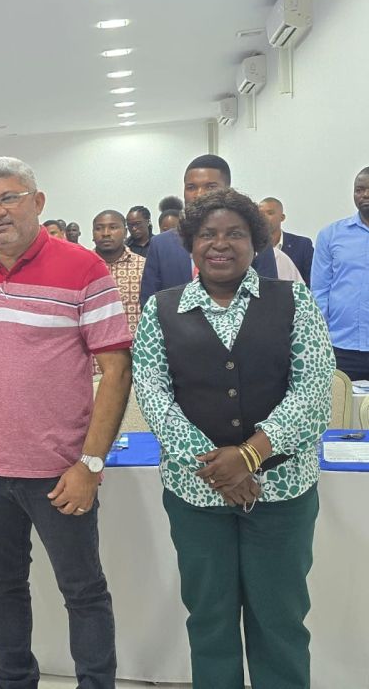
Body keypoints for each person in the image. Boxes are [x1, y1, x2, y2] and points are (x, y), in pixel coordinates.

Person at [0, 157, 132, 689]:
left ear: (38, 202)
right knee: (2, 590)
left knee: (83, 592)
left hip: (61, 472)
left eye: (9, 198)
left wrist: (90, 464)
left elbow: (116, 371)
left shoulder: (84, 269)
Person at [132, 188, 333, 689]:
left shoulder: (293, 300)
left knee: (281, 620)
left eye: (235, 234)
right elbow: (155, 397)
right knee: (210, 620)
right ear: (190, 243)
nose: (220, 244)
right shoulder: (161, 309)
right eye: (207, 234)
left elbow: (312, 390)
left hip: (282, 493)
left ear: (256, 242)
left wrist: (249, 455)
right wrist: (219, 468)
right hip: (196, 495)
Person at [140, 154, 277, 306]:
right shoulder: (161, 244)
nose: (199, 194)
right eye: (191, 187)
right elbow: (150, 302)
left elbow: (269, 295)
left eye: (210, 186)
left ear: (228, 189)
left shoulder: (251, 237)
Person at [312, 166, 369, 381]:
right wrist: (321, 337)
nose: (364, 195)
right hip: (341, 346)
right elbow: (319, 290)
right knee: (340, 403)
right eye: (359, 190)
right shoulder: (331, 235)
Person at [92, 210, 145, 337]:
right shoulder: (82, 267)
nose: (105, 233)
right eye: (99, 228)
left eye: (113, 227)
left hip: (135, 346)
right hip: (94, 347)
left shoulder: (144, 266)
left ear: (125, 232)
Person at [259, 197, 314, 286]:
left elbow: (312, 281)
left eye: (270, 213)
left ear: (282, 217)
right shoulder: (251, 247)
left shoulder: (302, 245)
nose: (263, 217)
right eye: (260, 214)